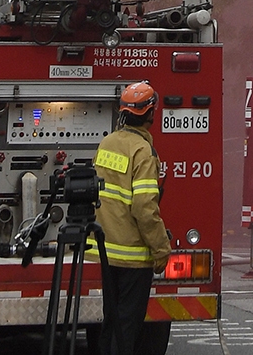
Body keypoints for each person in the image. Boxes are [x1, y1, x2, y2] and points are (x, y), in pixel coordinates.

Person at [89, 81, 172, 355]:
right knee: (127, 328)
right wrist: (161, 248)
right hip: (134, 258)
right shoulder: (143, 152)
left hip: (106, 253)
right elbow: (144, 208)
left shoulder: (107, 143)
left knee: (110, 322)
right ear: (149, 114)